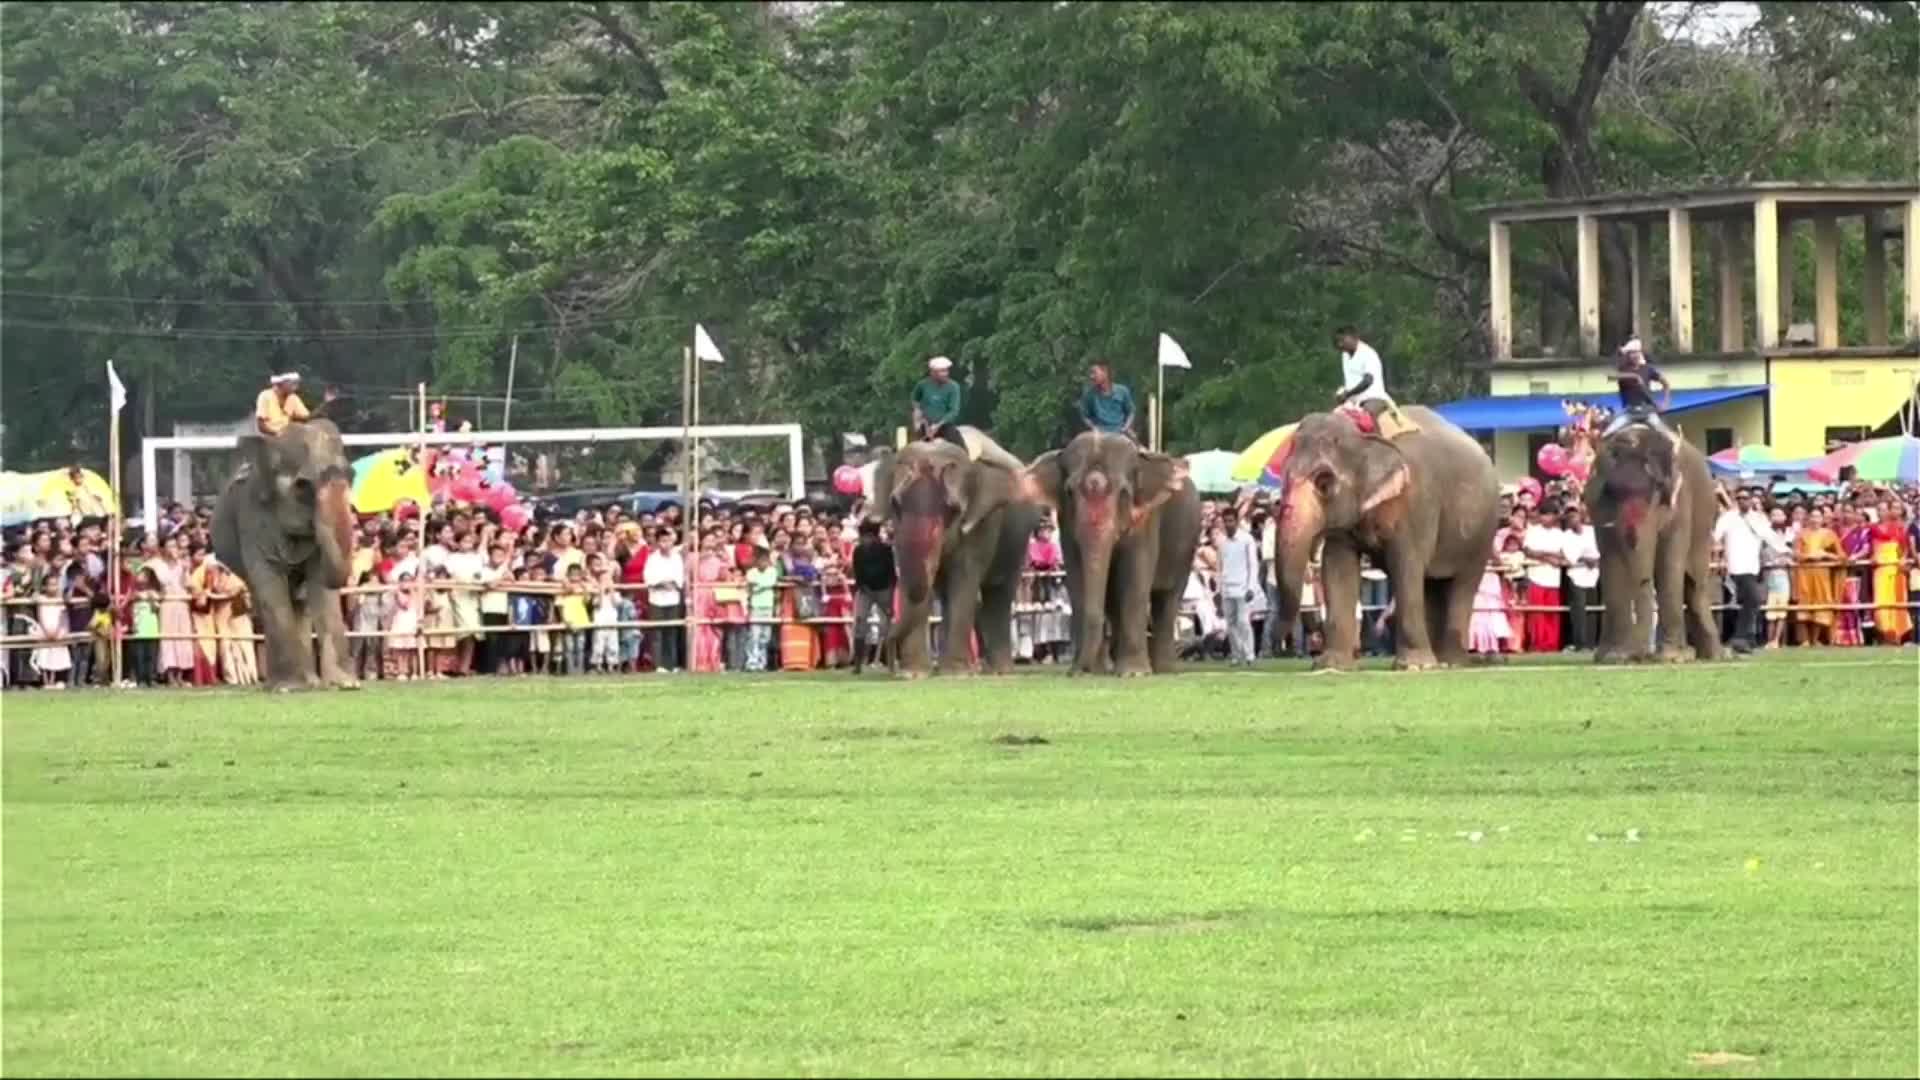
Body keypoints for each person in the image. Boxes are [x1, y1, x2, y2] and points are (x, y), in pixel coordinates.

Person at [1712, 487, 1784, 654]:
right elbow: (1716, 536)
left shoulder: (1758, 519)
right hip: (1737, 566)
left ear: (1751, 499)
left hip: (1752, 566)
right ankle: (1740, 637)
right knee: (1753, 599)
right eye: (1739, 498)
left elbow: (1770, 537)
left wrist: (1786, 551)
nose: (1743, 501)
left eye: (1746, 498)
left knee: (1749, 602)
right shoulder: (1728, 518)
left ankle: (1747, 638)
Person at [1214, 507, 1260, 666]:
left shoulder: (1247, 539)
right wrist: (1218, 590)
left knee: (1243, 622)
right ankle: (1236, 654)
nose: (1228, 524)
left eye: (1231, 521)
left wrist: (1251, 588)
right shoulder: (1222, 542)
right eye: (1225, 521)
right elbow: (1219, 568)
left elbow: (1253, 565)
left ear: (1237, 521)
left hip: (1243, 588)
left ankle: (1249, 654)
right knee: (1231, 624)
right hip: (1227, 588)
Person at [850, 520, 895, 674]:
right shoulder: (858, 551)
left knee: (887, 627)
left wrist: (889, 596)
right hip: (865, 590)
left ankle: (891, 663)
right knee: (860, 622)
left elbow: (891, 574)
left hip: (884, 589)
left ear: (874, 537)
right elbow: (858, 574)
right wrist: (866, 589)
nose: (865, 540)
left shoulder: (885, 550)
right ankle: (857, 664)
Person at [1332, 326, 1393, 424]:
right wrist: (1342, 394)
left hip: (1372, 398)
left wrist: (1348, 394)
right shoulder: (1345, 355)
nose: (1340, 344)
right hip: (1353, 402)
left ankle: (1376, 439)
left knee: (1366, 420)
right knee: (1333, 420)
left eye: (1343, 340)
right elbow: (1351, 381)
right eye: (1337, 341)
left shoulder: (1368, 354)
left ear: (1354, 337)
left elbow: (1368, 380)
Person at [253, 372, 336, 437]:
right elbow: (261, 426)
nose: (296, 387)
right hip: (269, 439)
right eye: (293, 384)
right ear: (282, 383)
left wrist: (326, 402)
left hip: (287, 438)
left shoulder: (292, 398)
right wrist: (276, 434)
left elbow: (307, 417)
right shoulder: (265, 396)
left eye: (296, 384)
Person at [910, 356, 965, 447]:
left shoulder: (953, 387)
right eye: (942, 371)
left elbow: (953, 411)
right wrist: (917, 420)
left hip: (945, 426)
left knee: (961, 449)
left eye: (946, 370)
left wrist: (938, 425)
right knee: (913, 449)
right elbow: (915, 401)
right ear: (932, 372)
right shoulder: (922, 385)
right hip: (925, 426)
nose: (945, 374)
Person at [1078, 362, 1136, 438]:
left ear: (1105, 372)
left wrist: (1126, 427)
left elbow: (1131, 412)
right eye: (1091, 373)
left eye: (1094, 373)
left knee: (1135, 445)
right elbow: (1085, 416)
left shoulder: (1122, 391)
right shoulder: (1090, 395)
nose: (1091, 376)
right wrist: (1093, 428)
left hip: (1120, 432)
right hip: (1099, 434)